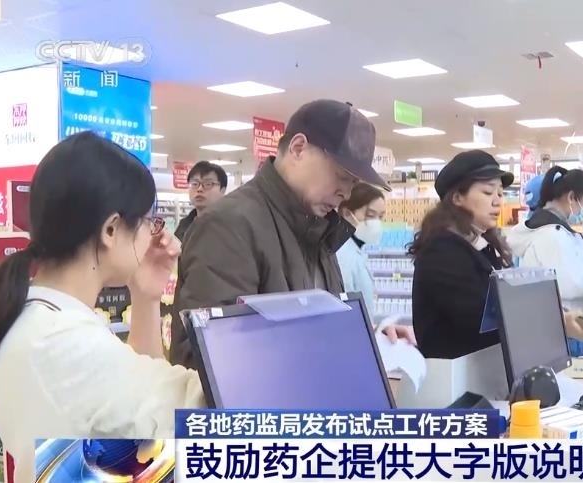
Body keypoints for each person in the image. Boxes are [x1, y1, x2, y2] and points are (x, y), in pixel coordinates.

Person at [0, 133, 203, 482]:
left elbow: (138, 406)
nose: (154, 235)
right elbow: (195, 414)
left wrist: (144, 297)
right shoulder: (64, 341)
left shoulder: (35, 315)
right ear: (111, 229)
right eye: (150, 222)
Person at [169, 99, 414, 369]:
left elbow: (318, 326)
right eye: (342, 176)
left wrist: (365, 339)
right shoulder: (229, 226)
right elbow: (209, 357)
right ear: (298, 148)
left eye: (353, 183)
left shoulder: (318, 230)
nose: (346, 193)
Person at [409, 151, 515, 359]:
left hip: (483, 368)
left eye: (500, 193)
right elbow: (478, 318)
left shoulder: (481, 244)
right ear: (457, 197)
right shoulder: (441, 251)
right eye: (488, 192)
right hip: (455, 373)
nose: (497, 201)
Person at [506, 167, 583, 312]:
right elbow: (575, 283)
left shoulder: (553, 231)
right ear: (571, 197)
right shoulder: (551, 235)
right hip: (560, 320)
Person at [336, 183, 386, 317]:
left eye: (381, 217)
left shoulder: (355, 251)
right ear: (347, 213)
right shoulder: (342, 256)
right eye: (370, 215)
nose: (376, 223)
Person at [175, 161, 228, 241]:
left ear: (222, 190)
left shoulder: (231, 226)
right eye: (195, 184)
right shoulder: (184, 225)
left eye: (208, 184)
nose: (199, 189)